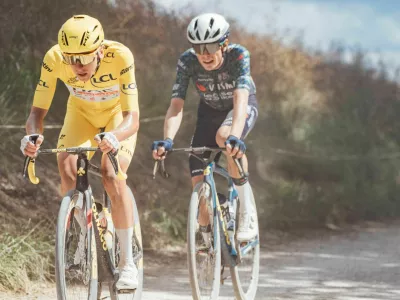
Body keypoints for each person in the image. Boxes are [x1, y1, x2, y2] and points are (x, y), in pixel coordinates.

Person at [20, 15, 139, 290]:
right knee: (67, 168)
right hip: (81, 114)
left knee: (112, 174)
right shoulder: (53, 59)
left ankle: (128, 262)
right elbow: (37, 112)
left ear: (99, 50)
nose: (77, 66)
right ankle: (84, 234)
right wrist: (32, 136)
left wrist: (115, 136)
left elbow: (132, 117)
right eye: (71, 58)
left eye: (84, 58)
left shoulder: (120, 56)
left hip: (116, 118)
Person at [152, 13, 258, 242]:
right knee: (196, 165)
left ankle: (246, 211)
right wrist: (168, 139)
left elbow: (240, 99)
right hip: (209, 110)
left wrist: (235, 137)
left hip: (240, 106)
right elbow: (176, 105)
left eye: (210, 46)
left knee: (224, 138)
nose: (204, 54)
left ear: (224, 43)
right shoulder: (187, 61)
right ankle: (210, 240)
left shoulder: (238, 56)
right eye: (198, 48)